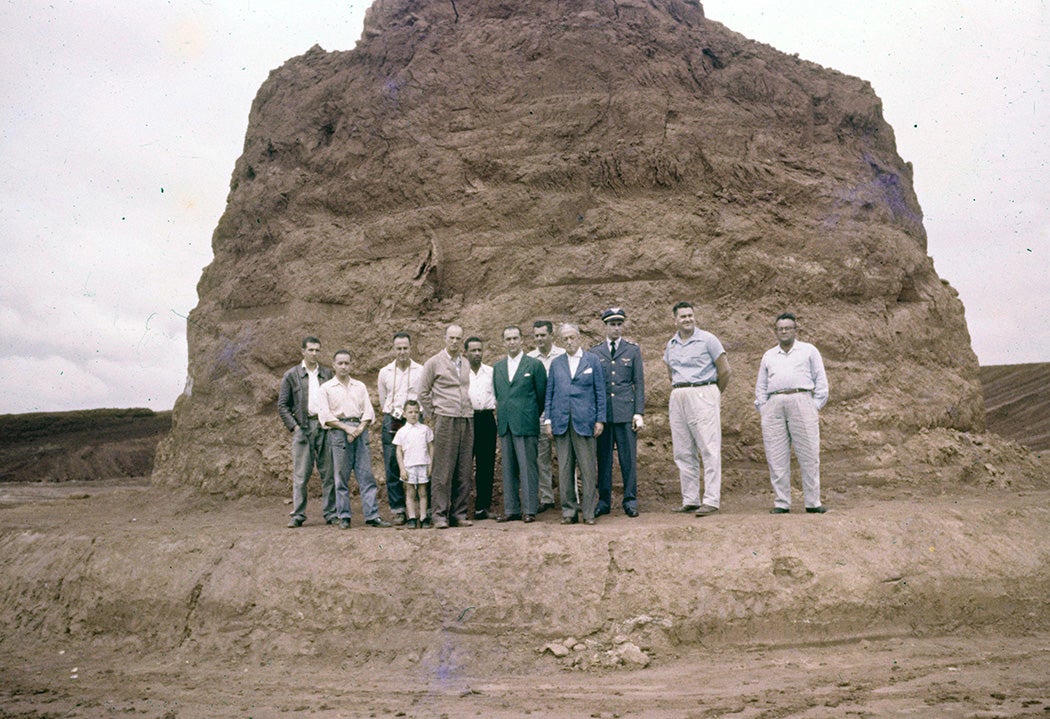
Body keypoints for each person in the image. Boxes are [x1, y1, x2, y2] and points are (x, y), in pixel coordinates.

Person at [755, 312, 830, 514]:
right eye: (780, 328)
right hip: (775, 402)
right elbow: (761, 385)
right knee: (776, 454)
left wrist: (813, 406)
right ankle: (781, 503)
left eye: (788, 328)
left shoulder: (808, 351)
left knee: (809, 453)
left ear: (796, 330)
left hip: (801, 399)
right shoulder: (769, 355)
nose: (784, 331)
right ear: (775, 331)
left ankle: (813, 503)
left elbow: (821, 381)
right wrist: (764, 408)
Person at [662, 302, 732, 518]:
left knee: (709, 448)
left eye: (690, 315)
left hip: (703, 391)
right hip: (679, 394)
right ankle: (690, 499)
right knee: (683, 450)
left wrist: (712, 394)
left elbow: (725, 371)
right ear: (675, 320)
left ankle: (711, 500)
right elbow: (670, 372)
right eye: (683, 316)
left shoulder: (708, 339)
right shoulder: (671, 344)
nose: (687, 319)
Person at [319, 349, 392, 529]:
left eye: (347, 363)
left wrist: (358, 429)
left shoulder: (359, 386)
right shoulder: (326, 388)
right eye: (340, 363)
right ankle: (343, 516)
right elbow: (325, 416)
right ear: (334, 365)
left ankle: (372, 515)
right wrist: (345, 428)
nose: (344, 367)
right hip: (338, 432)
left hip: (359, 432)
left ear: (351, 365)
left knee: (366, 475)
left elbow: (368, 412)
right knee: (341, 477)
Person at [545, 323, 606, 525]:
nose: (569, 342)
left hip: (585, 421)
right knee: (564, 469)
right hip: (562, 421)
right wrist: (548, 420)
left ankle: (588, 513)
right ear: (561, 342)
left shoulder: (592, 361)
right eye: (565, 339)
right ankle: (569, 512)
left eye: (572, 337)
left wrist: (600, 419)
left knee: (587, 469)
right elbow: (550, 393)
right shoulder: (556, 363)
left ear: (579, 337)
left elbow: (600, 392)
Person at [418, 324, 475, 529]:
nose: (454, 342)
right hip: (445, 418)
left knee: (464, 468)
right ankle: (439, 515)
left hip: (466, 418)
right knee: (443, 468)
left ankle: (458, 514)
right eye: (451, 338)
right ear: (444, 338)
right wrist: (435, 413)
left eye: (458, 338)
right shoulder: (434, 362)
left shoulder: (466, 363)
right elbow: (422, 392)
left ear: (462, 341)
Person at [590, 307, 645, 518]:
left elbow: (638, 383)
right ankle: (604, 500)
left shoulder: (632, 351)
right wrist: (596, 416)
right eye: (612, 324)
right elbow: (594, 386)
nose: (616, 328)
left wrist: (638, 412)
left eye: (619, 324)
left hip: (625, 413)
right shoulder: (595, 352)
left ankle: (630, 500)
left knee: (628, 459)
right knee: (603, 459)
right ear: (604, 326)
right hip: (604, 415)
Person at [278, 336, 336, 528]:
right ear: (303, 351)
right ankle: (298, 515)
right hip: (302, 427)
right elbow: (282, 406)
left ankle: (331, 513)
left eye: (317, 350)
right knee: (301, 474)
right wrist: (294, 427)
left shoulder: (327, 374)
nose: (314, 354)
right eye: (310, 350)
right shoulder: (292, 375)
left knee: (328, 473)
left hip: (323, 427)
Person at [492, 325, 548, 523]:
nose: (512, 342)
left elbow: (542, 395)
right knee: (508, 469)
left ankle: (530, 509)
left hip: (526, 423)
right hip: (506, 424)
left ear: (522, 340)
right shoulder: (498, 367)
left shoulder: (533, 365)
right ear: (504, 342)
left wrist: (529, 413)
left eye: (515, 338)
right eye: (508, 339)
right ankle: (511, 509)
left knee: (527, 467)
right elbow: (499, 395)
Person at [377, 332, 423, 525]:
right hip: (392, 419)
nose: (402, 352)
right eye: (398, 348)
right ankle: (398, 510)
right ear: (393, 349)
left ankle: (420, 509)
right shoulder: (385, 372)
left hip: (414, 418)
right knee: (392, 463)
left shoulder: (421, 370)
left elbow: (424, 395)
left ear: (410, 348)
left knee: (418, 461)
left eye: (405, 348)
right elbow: (382, 399)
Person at [527, 320, 566, 512]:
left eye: (543, 335)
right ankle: (547, 498)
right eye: (536, 336)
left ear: (551, 335)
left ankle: (570, 496)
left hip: (562, 414)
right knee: (542, 458)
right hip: (540, 415)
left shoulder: (563, 355)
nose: (540, 339)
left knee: (567, 457)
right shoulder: (530, 359)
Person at [466, 337, 497, 520]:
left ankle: (482, 507)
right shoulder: (460, 373)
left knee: (486, 464)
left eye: (479, 350)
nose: (477, 353)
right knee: (464, 465)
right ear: (466, 352)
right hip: (467, 419)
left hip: (486, 418)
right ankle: (460, 508)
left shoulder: (491, 372)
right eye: (473, 350)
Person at [393, 399, 434, 529]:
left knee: (423, 492)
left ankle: (423, 517)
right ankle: (411, 517)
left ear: (419, 413)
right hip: (409, 465)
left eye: (416, 412)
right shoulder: (401, 431)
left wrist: (430, 465)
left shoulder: (425, 429)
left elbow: (431, 447)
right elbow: (399, 451)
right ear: (404, 414)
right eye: (410, 412)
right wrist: (402, 469)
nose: (413, 415)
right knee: (410, 492)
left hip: (422, 464)